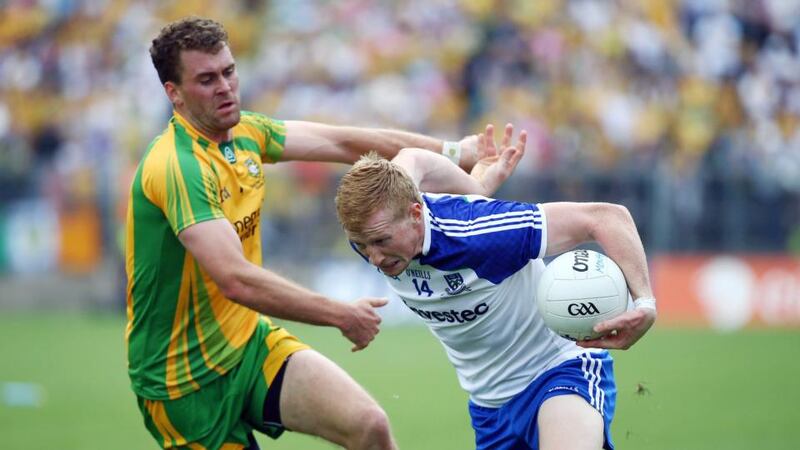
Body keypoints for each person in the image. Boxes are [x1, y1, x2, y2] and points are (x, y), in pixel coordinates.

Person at [126, 16, 494, 450]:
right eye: (206, 80)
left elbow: (342, 143)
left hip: (248, 346)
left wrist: (454, 153)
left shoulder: (245, 132)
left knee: (369, 427)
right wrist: (340, 314)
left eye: (228, 71)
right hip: (183, 383)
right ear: (175, 93)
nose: (225, 87)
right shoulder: (178, 166)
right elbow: (234, 278)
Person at [334, 133, 657, 450]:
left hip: (559, 369)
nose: (373, 258)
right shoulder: (375, 219)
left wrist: (644, 303)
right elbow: (411, 157)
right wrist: (476, 186)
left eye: (381, 241)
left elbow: (606, 218)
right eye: (361, 245)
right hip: (489, 407)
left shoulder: (483, 231)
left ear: (416, 214)